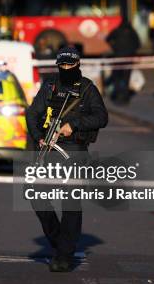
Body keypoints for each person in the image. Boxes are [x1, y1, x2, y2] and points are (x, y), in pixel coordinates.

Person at [26, 46, 108, 272]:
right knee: (34, 193)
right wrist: (39, 137)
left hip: (75, 150)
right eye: (62, 66)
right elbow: (32, 113)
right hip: (49, 149)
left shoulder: (87, 88)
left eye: (70, 66)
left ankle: (64, 255)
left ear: (78, 65)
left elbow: (102, 117)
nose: (66, 69)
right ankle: (59, 240)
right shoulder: (51, 85)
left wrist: (74, 125)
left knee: (70, 203)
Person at [105, 18, 140, 104]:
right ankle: (125, 97)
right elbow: (138, 44)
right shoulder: (132, 32)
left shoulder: (117, 31)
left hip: (118, 57)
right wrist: (132, 51)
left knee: (117, 77)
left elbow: (107, 39)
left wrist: (114, 47)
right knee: (126, 78)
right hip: (128, 58)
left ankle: (116, 96)